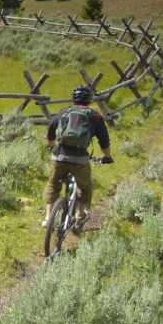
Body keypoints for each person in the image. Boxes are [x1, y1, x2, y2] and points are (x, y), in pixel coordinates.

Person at [42, 86, 113, 228]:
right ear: (89, 100)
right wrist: (107, 156)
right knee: (85, 187)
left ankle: (48, 217)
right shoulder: (95, 116)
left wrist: (50, 145)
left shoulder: (64, 112)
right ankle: (80, 216)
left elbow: (51, 128)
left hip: (59, 156)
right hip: (80, 159)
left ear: (73, 98)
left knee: (53, 184)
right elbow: (103, 140)